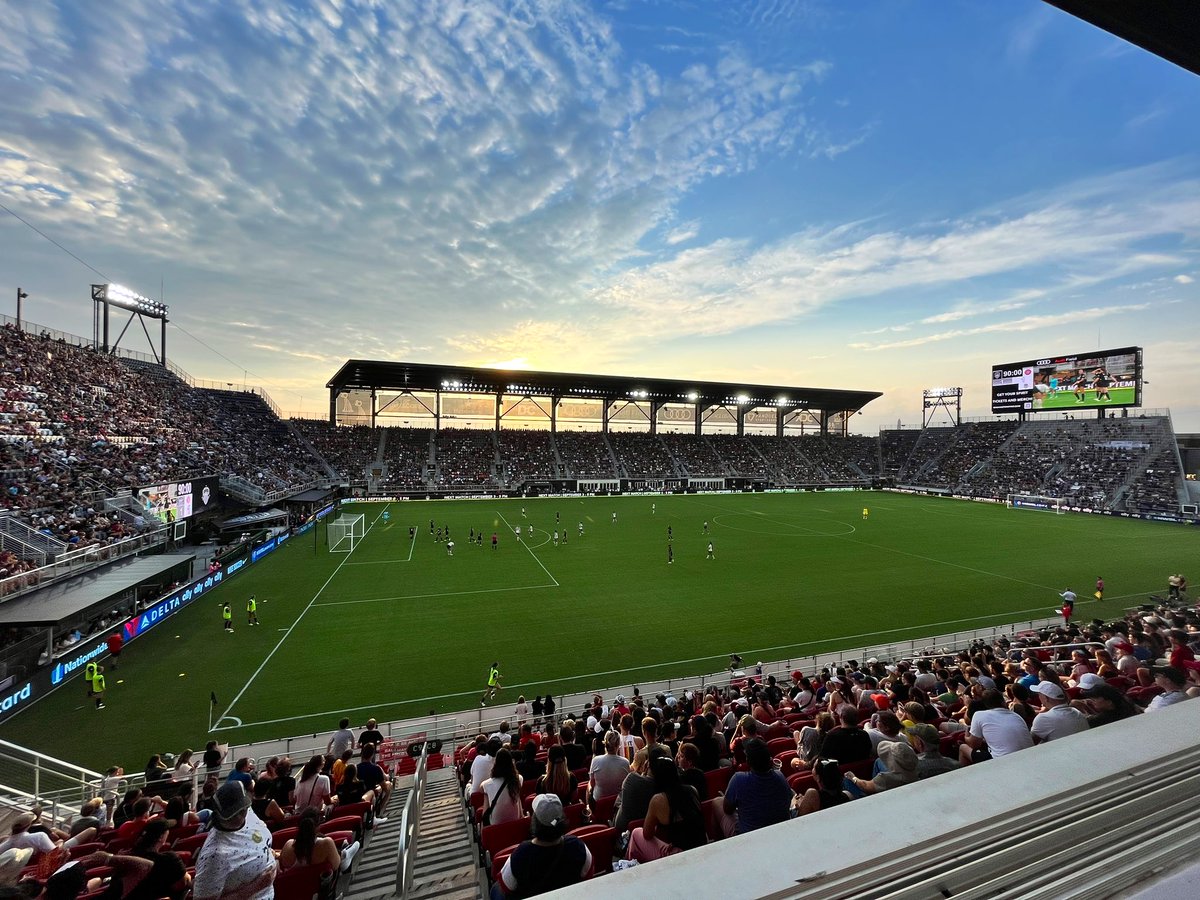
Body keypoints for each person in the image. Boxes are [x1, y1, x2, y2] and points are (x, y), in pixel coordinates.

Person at [492, 794, 591, 900]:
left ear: (535, 821)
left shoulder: (522, 853)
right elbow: (589, 876)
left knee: (494, 889)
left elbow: (505, 887)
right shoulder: (577, 846)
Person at [192, 781, 277, 900]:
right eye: (231, 815)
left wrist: (266, 852)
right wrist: (256, 886)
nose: (238, 817)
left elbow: (255, 837)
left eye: (241, 811)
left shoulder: (248, 813)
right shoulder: (214, 855)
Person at [627, 756, 705, 862]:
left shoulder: (658, 800)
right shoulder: (693, 790)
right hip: (700, 847)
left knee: (636, 833)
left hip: (679, 855)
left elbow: (647, 834)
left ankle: (630, 866)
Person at [720, 739, 792, 836]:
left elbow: (727, 810)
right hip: (780, 833)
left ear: (748, 762)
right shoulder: (780, 777)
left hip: (749, 837)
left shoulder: (738, 779)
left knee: (716, 802)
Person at [278, 809, 360, 875]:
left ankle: (343, 853)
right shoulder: (326, 843)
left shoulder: (287, 846)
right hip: (318, 889)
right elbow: (336, 866)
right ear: (318, 826)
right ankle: (343, 854)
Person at [480, 748, 523, 826]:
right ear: (511, 762)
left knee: (486, 800)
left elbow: (481, 787)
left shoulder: (487, 784)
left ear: (496, 763)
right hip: (516, 822)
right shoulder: (519, 779)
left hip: (495, 826)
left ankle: (483, 832)